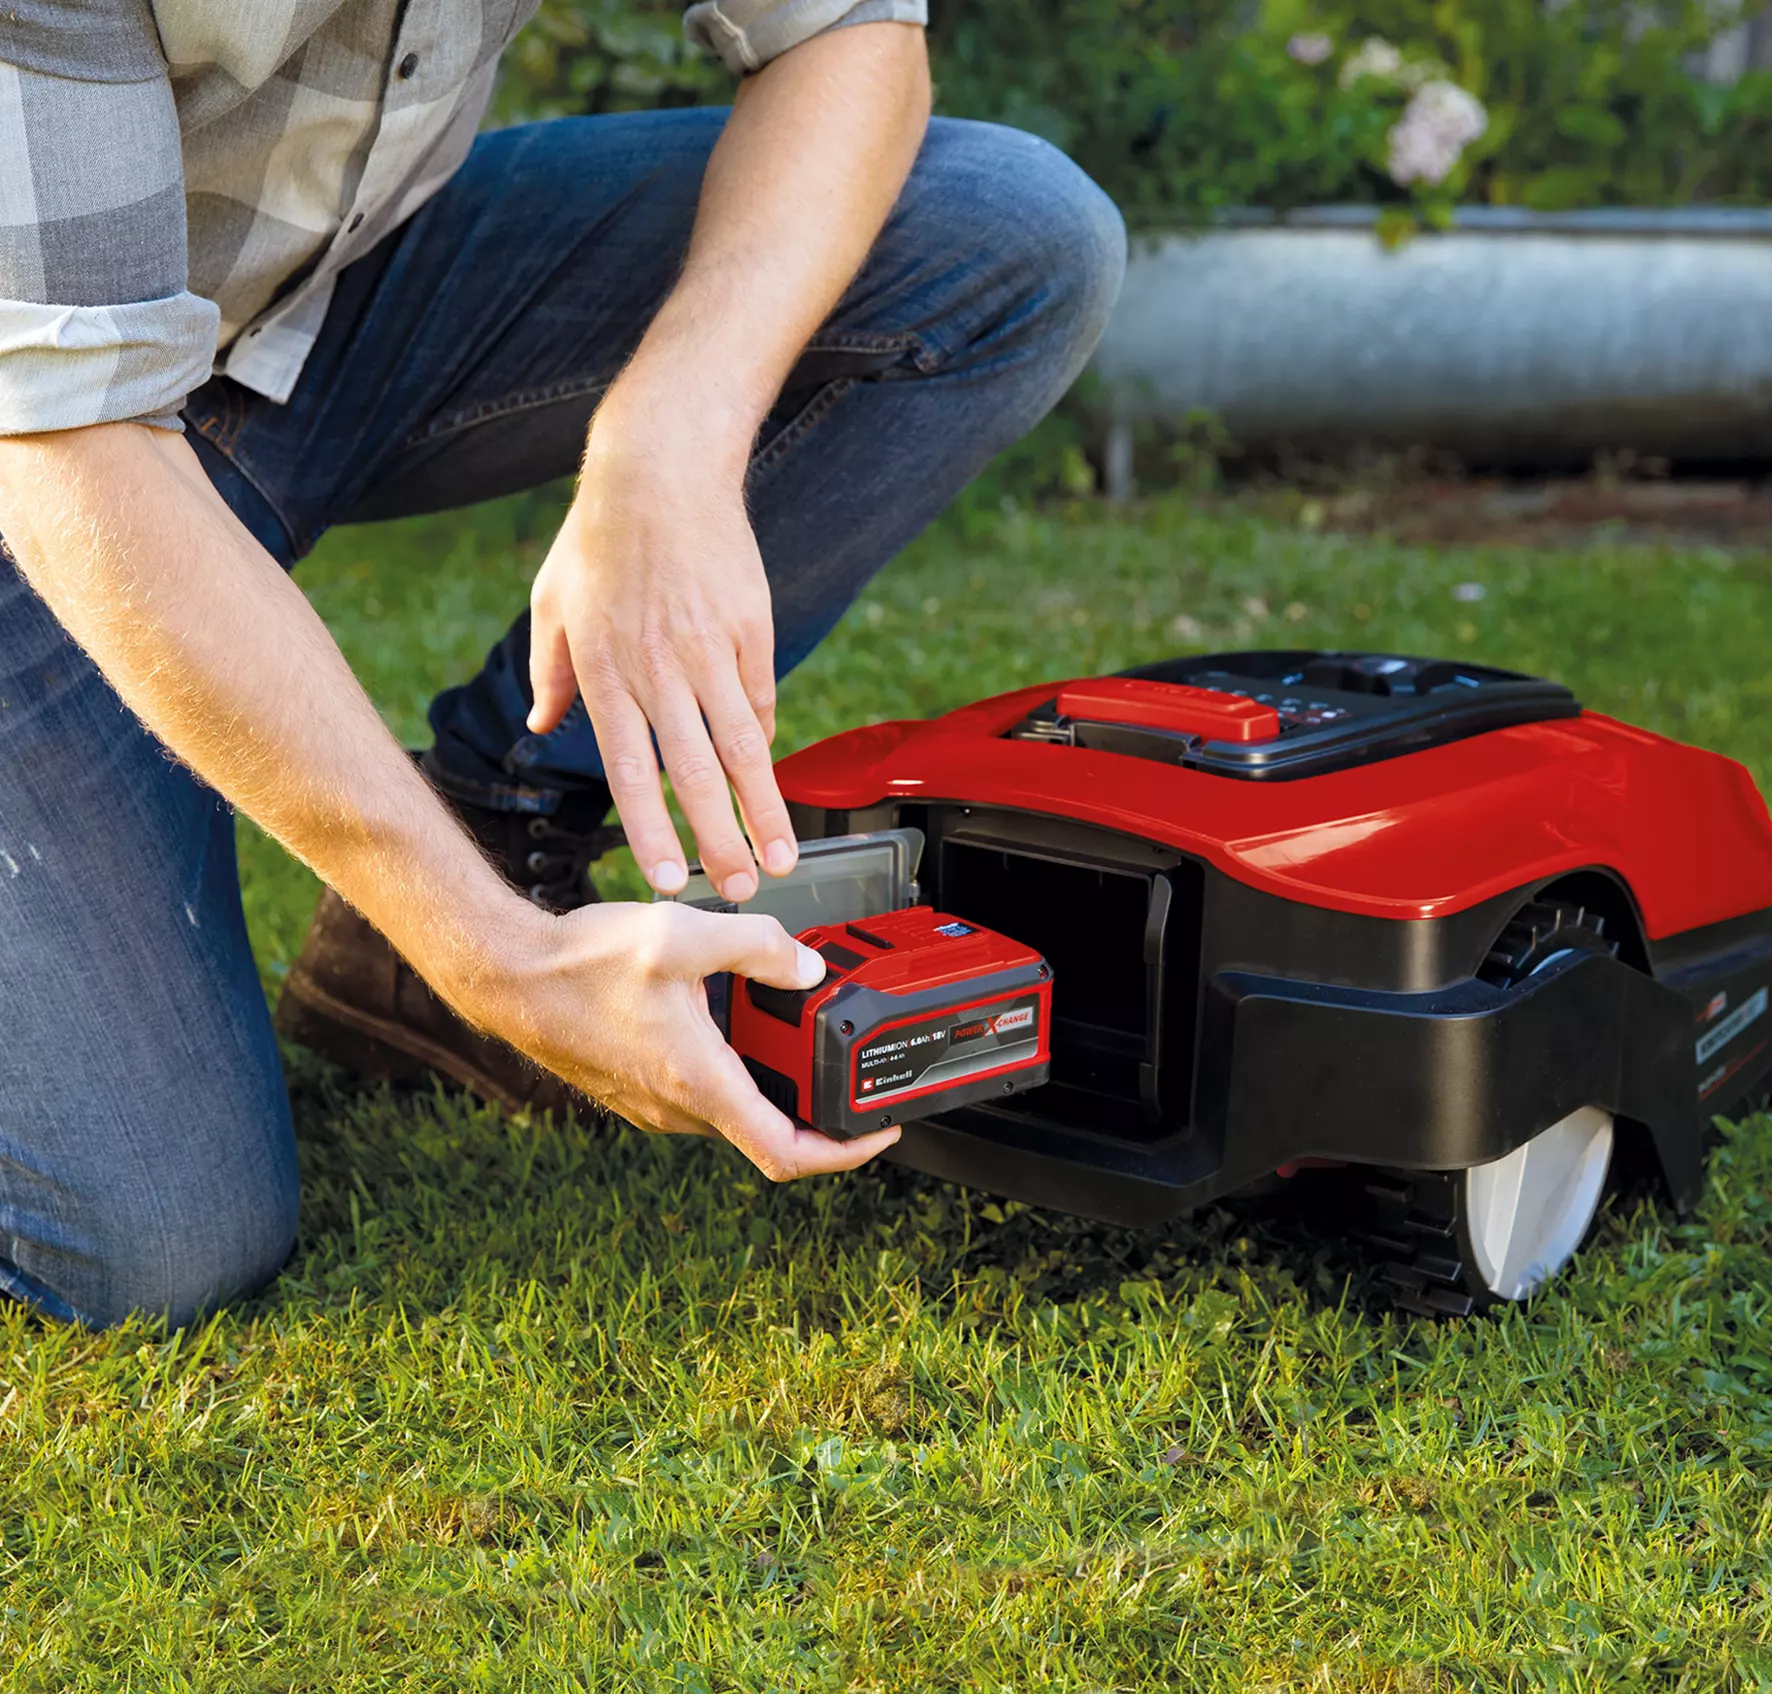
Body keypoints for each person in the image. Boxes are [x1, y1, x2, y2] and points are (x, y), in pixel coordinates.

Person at [0, 0, 1126, 1328]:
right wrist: (501, 965)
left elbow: (848, 36)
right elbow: (78, 443)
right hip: (55, 435)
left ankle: (477, 852)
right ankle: (451, 938)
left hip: (301, 301)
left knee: (1005, 233)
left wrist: (672, 429)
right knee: (159, 1245)